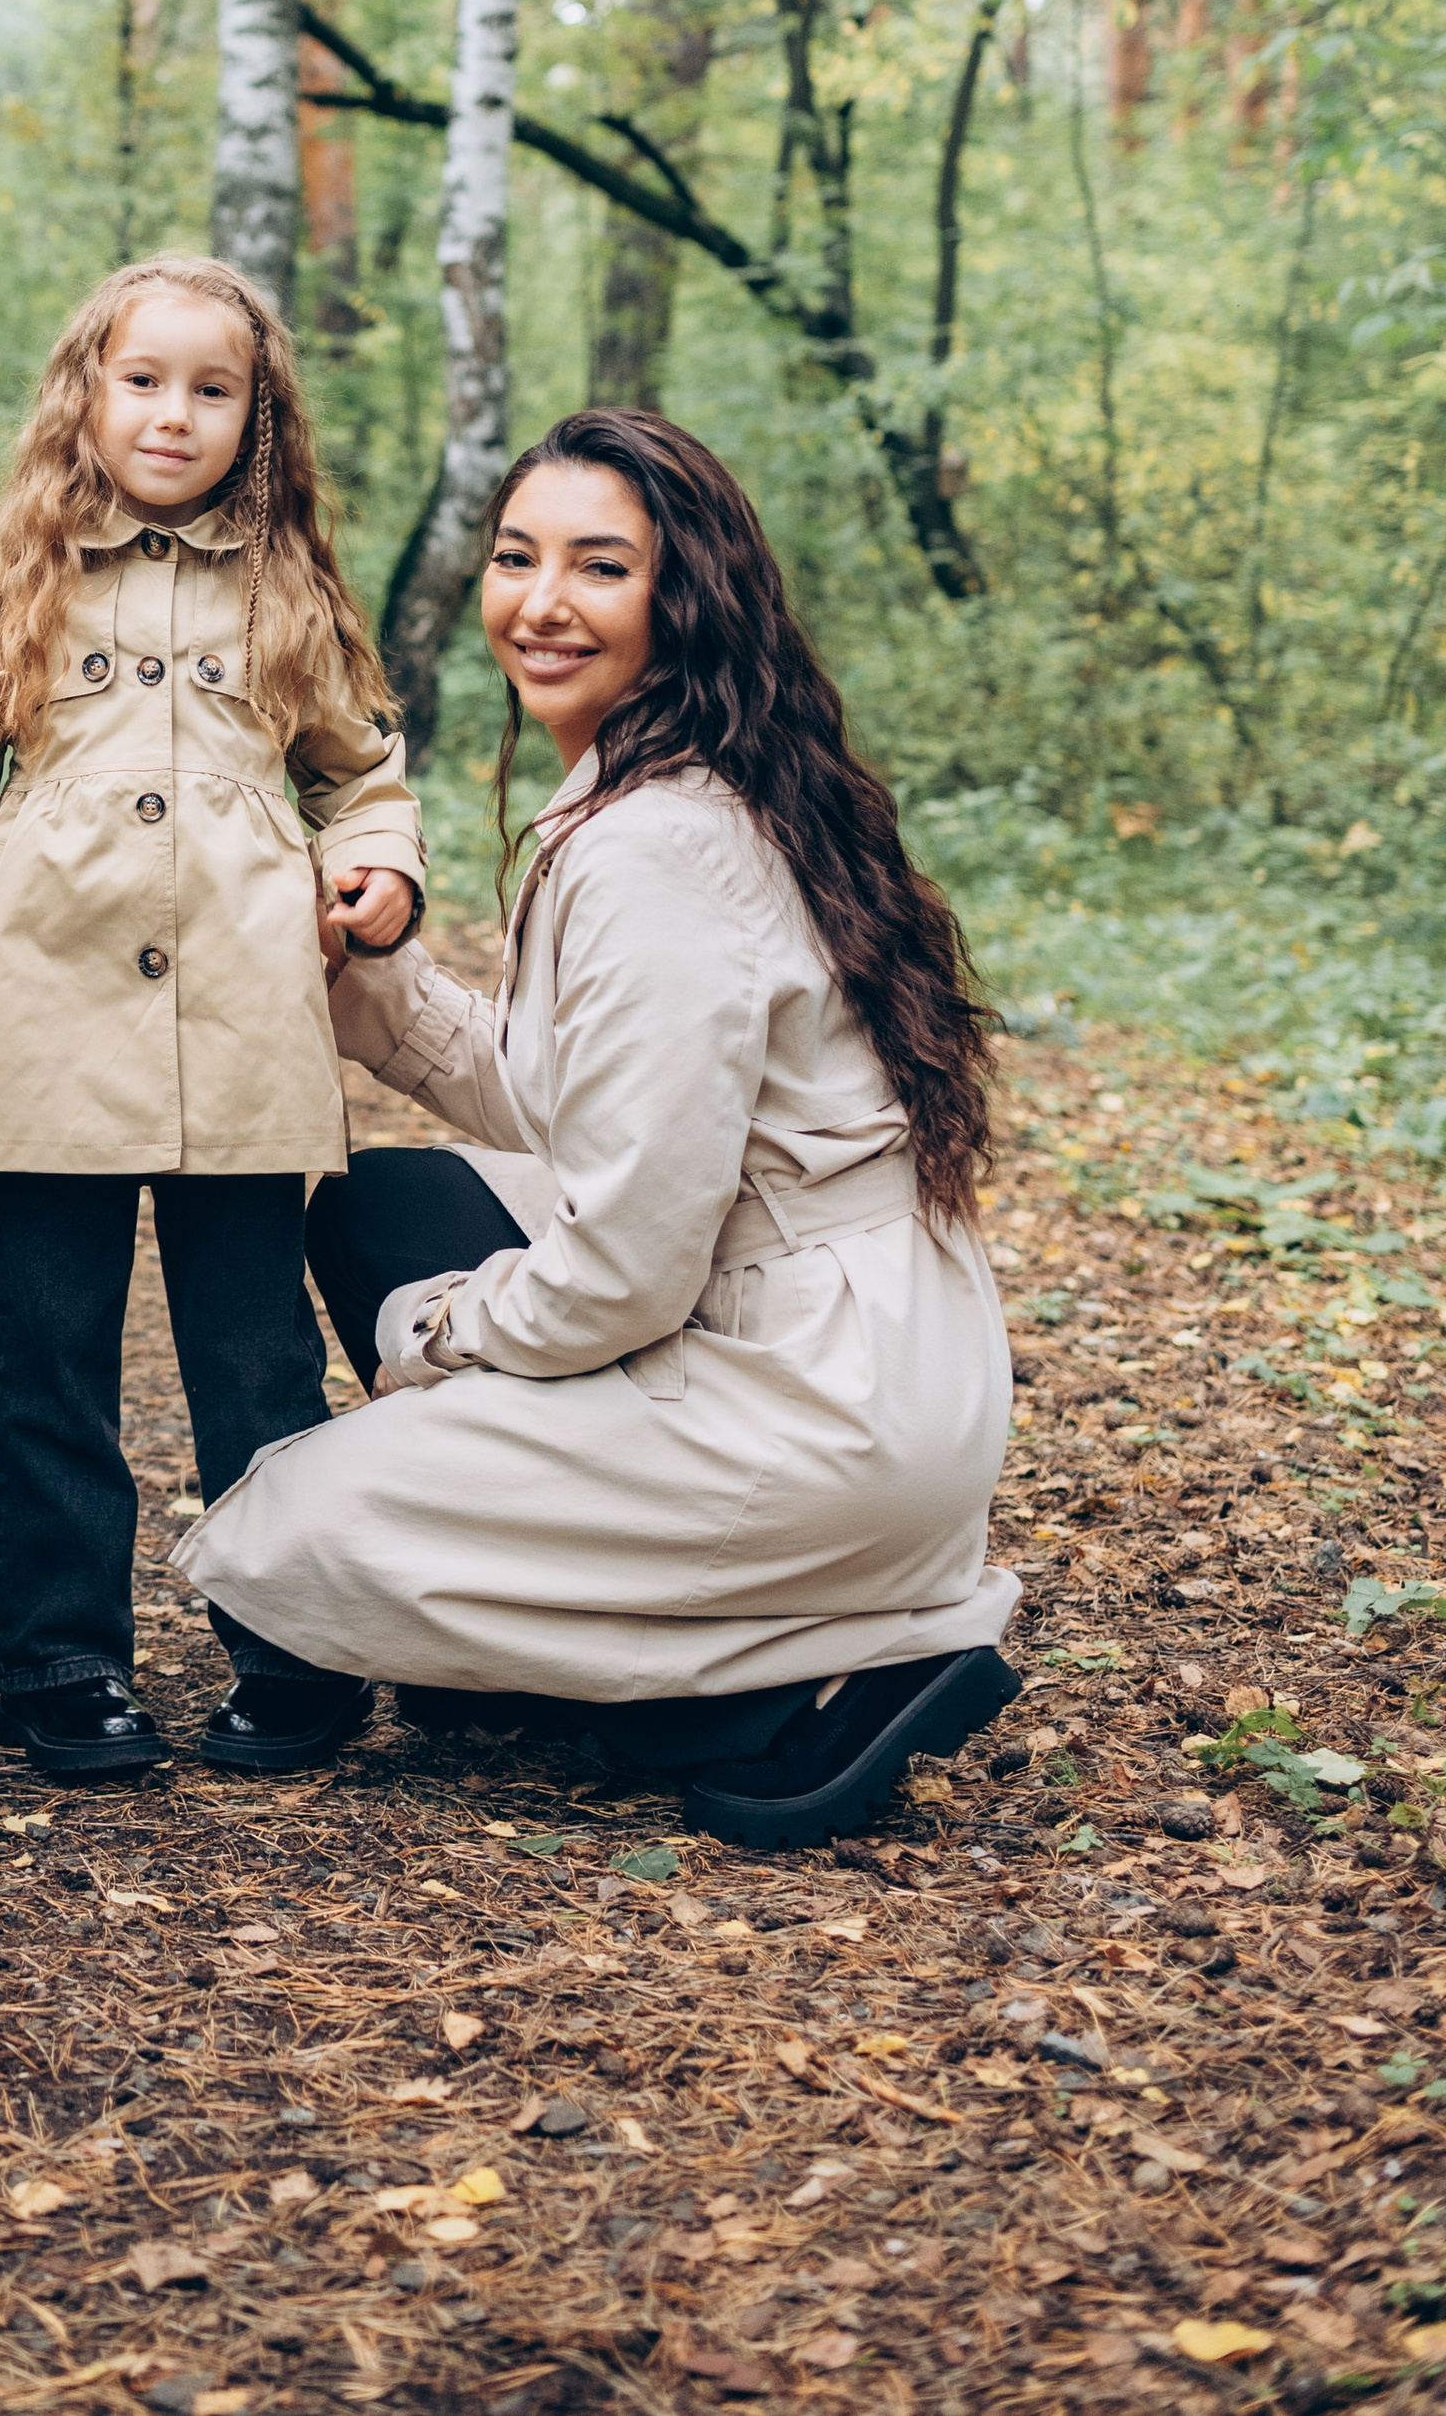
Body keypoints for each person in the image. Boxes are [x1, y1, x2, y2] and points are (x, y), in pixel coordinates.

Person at [179, 407, 1022, 1853]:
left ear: (682, 600)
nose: (542, 603)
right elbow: (597, 1112)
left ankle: (810, 1677)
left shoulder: (653, 851)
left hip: (814, 1405)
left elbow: (630, 1260)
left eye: (601, 568)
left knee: (281, 1540)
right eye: (518, 557)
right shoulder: (689, 785)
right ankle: (729, 1633)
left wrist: (436, 1345)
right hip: (883, 1367)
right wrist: (368, 977)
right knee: (386, 1207)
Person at [0, 257, 427, 1782]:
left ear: (257, 416)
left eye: (211, 388)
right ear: (86, 396)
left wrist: (377, 872)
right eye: (142, 380)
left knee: (256, 1366)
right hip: (47, 1034)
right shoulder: (20, 584)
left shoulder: (291, 588)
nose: (174, 413)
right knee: (50, 1361)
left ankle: (294, 1657)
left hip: (240, 1031)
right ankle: (63, 1664)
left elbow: (361, 775)